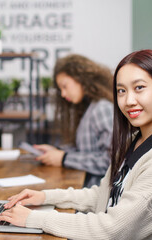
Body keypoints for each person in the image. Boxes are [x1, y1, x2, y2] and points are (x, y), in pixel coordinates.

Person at [0, 50, 152, 239]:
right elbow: (102, 196)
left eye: (139, 88)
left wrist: (34, 219)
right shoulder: (133, 141)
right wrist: (45, 197)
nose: (129, 101)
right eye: (121, 91)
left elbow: (114, 228)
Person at [34, 54, 114, 187]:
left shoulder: (102, 109)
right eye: (60, 90)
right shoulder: (90, 108)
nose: (63, 94)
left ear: (81, 78)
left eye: (65, 86)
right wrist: (57, 151)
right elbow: (88, 151)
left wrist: (64, 158)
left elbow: (111, 162)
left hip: (97, 194)